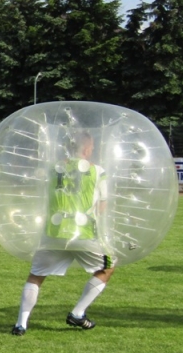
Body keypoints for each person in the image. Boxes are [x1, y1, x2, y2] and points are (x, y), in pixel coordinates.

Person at [11, 131, 113, 336]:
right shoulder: (98, 171)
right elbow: (102, 207)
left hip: (53, 233)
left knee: (36, 276)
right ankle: (77, 313)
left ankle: (21, 324)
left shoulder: (52, 169)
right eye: (92, 147)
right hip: (83, 234)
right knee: (108, 267)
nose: (93, 150)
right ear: (86, 148)